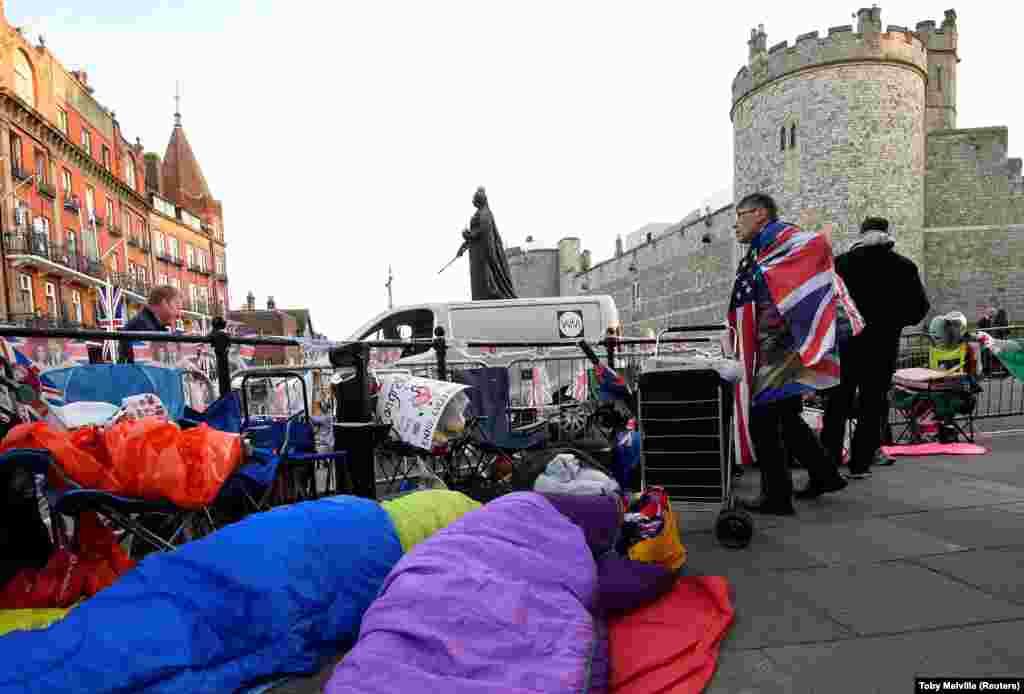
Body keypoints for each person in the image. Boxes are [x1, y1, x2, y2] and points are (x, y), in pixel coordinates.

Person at [728, 193, 858, 515]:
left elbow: (816, 249)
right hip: (781, 343)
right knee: (785, 416)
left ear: (759, 214)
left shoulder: (786, 240)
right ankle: (825, 475)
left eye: (739, 215)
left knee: (763, 419)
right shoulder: (765, 248)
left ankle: (777, 497)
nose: (735, 224)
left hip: (786, 344)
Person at [822, 217, 930, 479]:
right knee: (872, 407)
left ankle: (827, 464)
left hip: (846, 345)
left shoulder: (841, 264)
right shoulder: (904, 267)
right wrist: (893, 322)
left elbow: (825, 304)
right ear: (887, 234)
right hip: (882, 347)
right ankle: (860, 465)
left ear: (861, 234)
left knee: (837, 404)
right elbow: (919, 309)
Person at [458, 187, 517, 301]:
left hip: (483, 254)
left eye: (474, 200)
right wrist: (463, 246)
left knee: (485, 280)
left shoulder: (485, 214)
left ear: (479, 201)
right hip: (477, 253)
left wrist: (467, 235)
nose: (472, 202)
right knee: (479, 281)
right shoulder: (481, 213)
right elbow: (477, 233)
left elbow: (482, 232)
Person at [119, 285, 183, 363]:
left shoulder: (151, 323)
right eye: (177, 307)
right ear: (164, 302)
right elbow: (155, 362)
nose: (179, 315)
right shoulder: (142, 325)